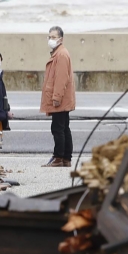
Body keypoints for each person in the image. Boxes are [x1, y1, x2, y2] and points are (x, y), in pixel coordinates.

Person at [41, 26, 75, 167]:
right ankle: (66, 158)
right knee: (64, 127)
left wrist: (56, 98)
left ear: (61, 39)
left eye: (54, 37)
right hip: (63, 98)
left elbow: (61, 79)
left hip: (60, 99)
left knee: (58, 128)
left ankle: (59, 157)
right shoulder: (60, 53)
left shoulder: (61, 55)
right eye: (49, 37)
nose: (51, 39)